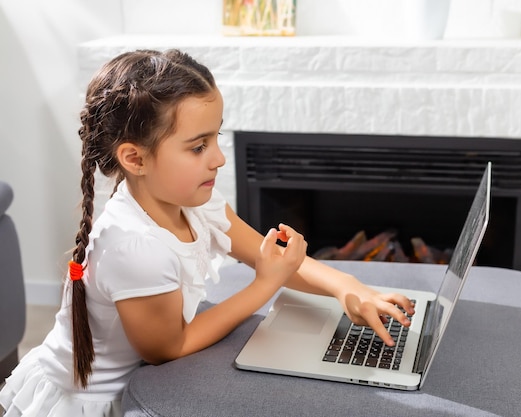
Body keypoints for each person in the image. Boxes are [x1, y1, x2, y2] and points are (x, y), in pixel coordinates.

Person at [0, 49, 414, 416]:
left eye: (216, 138)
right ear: (134, 158)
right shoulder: (135, 249)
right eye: (198, 147)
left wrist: (349, 288)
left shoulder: (196, 204)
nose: (217, 158)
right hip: (92, 401)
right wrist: (264, 286)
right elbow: (170, 348)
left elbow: (268, 255)